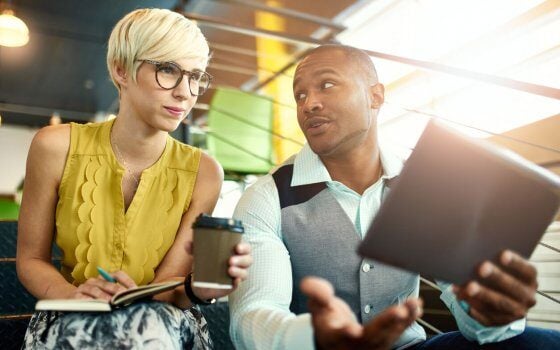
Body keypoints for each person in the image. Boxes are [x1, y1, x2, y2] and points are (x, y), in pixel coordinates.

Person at [229, 44, 560, 349]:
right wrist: (313, 338)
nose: (308, 104)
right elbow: (254, 311)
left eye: (326, 85)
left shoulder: (425, 188)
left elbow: (473, 315)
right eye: (300, 95)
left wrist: (493, 315)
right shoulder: (265, 197)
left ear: (375, 96)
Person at [16, 8, 251, 349]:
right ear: (120, 70)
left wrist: (199, 286)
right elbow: (31, 260)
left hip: (162, 317)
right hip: (70, 308)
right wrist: (75, 295)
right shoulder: (54, 146)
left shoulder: (204, 171)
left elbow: (170, 285)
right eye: (168, 70)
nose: (185, 92)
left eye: (195, 76)